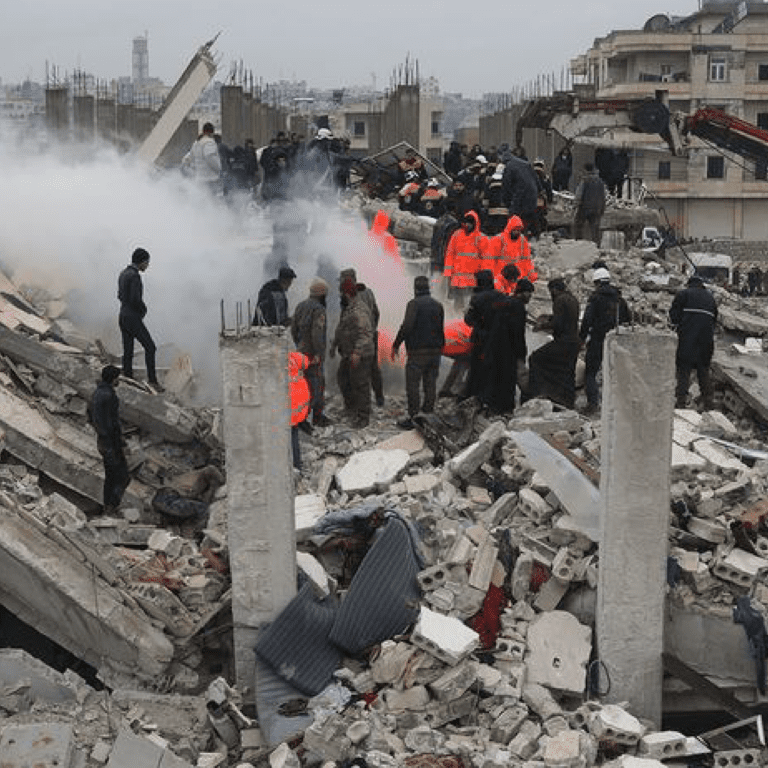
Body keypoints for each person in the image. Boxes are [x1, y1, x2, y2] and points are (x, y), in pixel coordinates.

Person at [391, 275, 445, 429]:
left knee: (413, 384)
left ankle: (414, 417)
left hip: (418, 352)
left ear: (415, 288)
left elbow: (407, 326)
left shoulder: (413, 304)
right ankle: (428, 414)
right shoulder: (438, 305)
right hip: (435, 351)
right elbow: (440, 328)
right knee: (430, 383)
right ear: (428, 288)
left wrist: (396, 344)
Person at [579, 267, 631, 414]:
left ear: (596, 282)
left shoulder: (595, 298)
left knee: (591, 373)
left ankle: (593, 404)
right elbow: (627, 320)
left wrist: (581, 339)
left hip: (597, 339)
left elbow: (587, 320)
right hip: (616, 340)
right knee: (615, 373)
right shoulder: (620, 300)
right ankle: (617, 405)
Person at [330, 275, 375, 428]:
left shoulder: (359, 310)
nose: (339, 296)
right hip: (349, 353)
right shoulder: (348, 309)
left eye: (341, 293)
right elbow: (341, 328)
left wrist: (357, 352)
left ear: (346, 294)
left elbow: (366, 334)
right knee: (343, 378)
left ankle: (363, 417)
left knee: (360, 384)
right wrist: (334, 345)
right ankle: (351, 408)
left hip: (361, 354)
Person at [527, 278, 580, 409]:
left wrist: (542, 326)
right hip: (574, 342)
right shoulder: (572, 299)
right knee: (567, 371)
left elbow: (558, 324)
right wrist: (551, 318)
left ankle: (540, 393)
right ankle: (567, 401)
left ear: (555, 289)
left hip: (564, 341)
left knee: (535, 358)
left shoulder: (559, 300)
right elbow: (565, 318)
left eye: (551, 290)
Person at [669, 275, 718, 410]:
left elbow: (673, 317)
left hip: (687, 340)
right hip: (706, 342)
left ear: (689, 284)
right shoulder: (710, 298)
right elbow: (714, 321)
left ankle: (680, 403)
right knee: (703, 370)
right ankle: (708, 403)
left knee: (684, 370)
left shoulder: (683, 294)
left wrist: (676, 327)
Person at [118, 247, 163, 391]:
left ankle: (128, 377)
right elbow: (135, 299)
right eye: (147, 262)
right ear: (142, 262)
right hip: (132, 317)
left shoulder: (123, 273)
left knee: (128, 350)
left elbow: (119, 295)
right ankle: (152, 381)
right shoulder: (135, 276)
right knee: (150, 347)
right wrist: (143, 309)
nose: (148, 265)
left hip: (123, 315)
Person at [339, 267, 384, 407]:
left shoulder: (351, 296)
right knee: (373, 368)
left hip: (358, 338)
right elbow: (376, 312)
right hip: (370, 336)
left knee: (353, 373)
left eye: (342, 279)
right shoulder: (368, 292)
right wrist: (372, 329)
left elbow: (345, 319)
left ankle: (356, 405)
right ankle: (379, 397)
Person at [89, 365, 130, 515]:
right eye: (118, 378)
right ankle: (111, 507)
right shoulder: (110, 396)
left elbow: (92, 415)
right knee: (122, 476)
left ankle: (108, 506)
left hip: (102, 440)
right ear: (113, 379)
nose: (119, 381)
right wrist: (120, 443)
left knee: (111, 476)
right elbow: (113, 423)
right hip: (111, 443)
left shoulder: (97, 392)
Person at [291, 277, 331, 428]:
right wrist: (318, 354)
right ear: (322, 295)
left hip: (301, 353)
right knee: (316, 385)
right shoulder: (319, 309)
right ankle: (310, 418)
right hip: (313, 355)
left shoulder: (300, 306)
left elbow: (293, 329)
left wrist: (300, 345)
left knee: (305, 385)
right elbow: (317, 333)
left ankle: (311, 416)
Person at [443, 210, 488, 312]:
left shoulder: (481, 238)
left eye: (470, 223)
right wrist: (448, 273)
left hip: (472, 279)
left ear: (475, 223)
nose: (468, 225)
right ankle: (457, 320)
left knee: (469, 303)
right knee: (457, 302)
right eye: (466, 222)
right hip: (457, 277)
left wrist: (482, 276)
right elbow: (450, 254)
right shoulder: (456, 235)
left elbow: (485, 259)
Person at [485, 214, 537, 284]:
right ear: (510, 228)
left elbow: (526, 260)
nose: (517, 232)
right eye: (515, 230)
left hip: (517, 277)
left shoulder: (522, 240)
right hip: (501, 277)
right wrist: (491, 277)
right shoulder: (499, 239)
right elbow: (490, 260)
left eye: (519, 230)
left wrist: (531, 274)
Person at [501, 154, 541, 235]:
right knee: (530, 214)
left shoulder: (509, 166)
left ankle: (516, 233)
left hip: (521, 194)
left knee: (515, 214)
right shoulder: (526, 164)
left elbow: (506, 185)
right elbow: (536, 180)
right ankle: (535, 232)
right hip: (532, 193)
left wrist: (506, 201)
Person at [184, 122, 222, 195]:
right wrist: (218, 169)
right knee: (212, 201)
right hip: (210, 178)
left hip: (199, 178)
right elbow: (210, 157)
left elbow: (187, 159)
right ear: (212, 132)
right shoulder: (209, 142)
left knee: (203, 200)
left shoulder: (196, 143)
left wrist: (192, 170)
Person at [289, 351, 312, 469]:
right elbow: (306, 361)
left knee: (291, 439)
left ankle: (295, 467)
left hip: (290, 405)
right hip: (298, 402)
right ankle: (297, 465)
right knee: (294, 436)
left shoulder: (275, 364)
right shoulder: (294, 358)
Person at [573, 163, 606, 245]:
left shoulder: (585, 181)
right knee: (595, 229)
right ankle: (596, 246)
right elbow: (603, 196)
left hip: (585, 208)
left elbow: (579, 195)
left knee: (579, 225)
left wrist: (575, 205)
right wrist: (602, 209)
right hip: (597, 208)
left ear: (585, 170)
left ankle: (579, 244)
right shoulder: (600, 181)